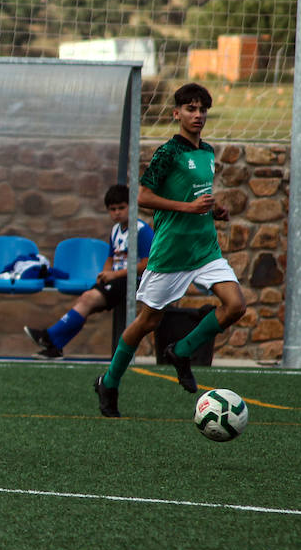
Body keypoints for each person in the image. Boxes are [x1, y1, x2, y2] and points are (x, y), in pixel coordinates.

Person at [93, 83, 244, 418]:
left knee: (235, 306)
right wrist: (187, 208)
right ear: (176, 113)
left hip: (205, 249)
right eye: (191, 109)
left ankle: (182, 351)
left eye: (203, 109)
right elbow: (142, 197)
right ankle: (110, 381)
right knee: (147, 321)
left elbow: (197, 196)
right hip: (171, 254)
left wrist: (212, 210)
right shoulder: (168, 153)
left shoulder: (206, 152)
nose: (198, 115)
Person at [23, 184, 153, 359]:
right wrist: (105, 273)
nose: (117, 213)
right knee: (85, 302)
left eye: (122, 208)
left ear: (131, 206)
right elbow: (110, 258)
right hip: (116, 281)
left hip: (133, 282)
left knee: (88, 299)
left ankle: (48, 337)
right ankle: (54, 347)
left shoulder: (141, 230)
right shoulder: (116, 230)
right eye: (112, 209)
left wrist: (114, 275)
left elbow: (147, 263)